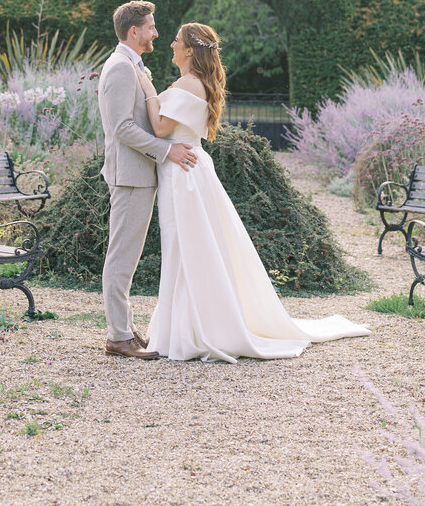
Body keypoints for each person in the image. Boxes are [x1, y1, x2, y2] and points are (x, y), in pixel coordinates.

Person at [135, 22, 370, 362]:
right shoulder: (193, 82)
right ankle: (182, 327)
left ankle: (192, 331)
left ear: (189, 50)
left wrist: (146, 87)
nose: (170, 43)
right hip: (184, 168)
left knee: (186, 249)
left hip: (184, 173)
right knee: (184, 249)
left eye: (176, 41)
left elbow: (159, 127)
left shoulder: (189, 83)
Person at [97, 0, 199, 360]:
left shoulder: (132, 65)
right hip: (130, 177)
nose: (157, 33)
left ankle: (122, 330)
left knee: (127, 255)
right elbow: (122, 127)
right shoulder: (121, 69)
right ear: (134, 31)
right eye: (151, 27)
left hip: (139, 176)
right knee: (121, 257)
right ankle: (118, 337)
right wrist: (166, 150)